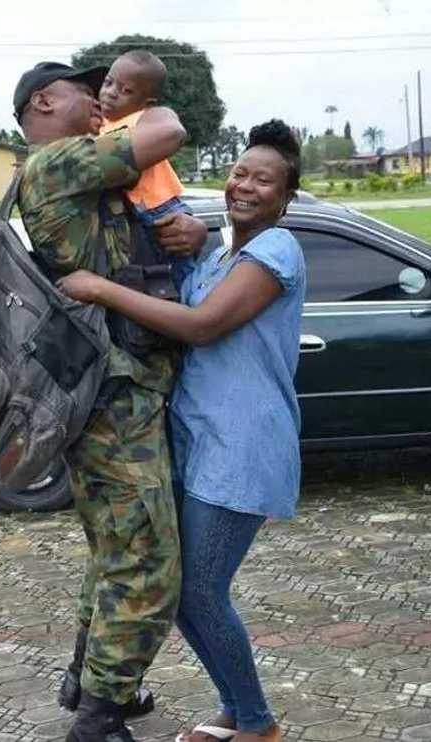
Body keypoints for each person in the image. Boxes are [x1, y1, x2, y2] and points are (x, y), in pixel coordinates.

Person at [59, 119, 307, 742]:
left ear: (285, 196)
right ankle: (237, 710)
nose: (245, 186)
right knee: (180, 589)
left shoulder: (278, 250)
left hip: (243, 444)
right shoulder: (223, 252)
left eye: (264, 180)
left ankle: (257, 723)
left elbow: (200, 326)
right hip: (199, 440)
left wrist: (101, 290)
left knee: (198, 590)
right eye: (240, 173)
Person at [12, 61, 202, 742]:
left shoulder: (87, 178)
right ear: (42, 103)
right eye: (85, 96)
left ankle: (88, 681)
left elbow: (144, 242)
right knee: (147, 558)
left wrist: (194, 234)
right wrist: (146, 107)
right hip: (111, 398)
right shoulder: (52, 163)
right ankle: (98, 720)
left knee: (113, 550)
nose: (101, 105)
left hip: (114, 389)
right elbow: (167, 129)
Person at [99, 50, 193, 227]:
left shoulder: (141, 120)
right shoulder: (99, 121)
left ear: (147, 103)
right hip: (133, 209)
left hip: (160, 208)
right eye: (108, 82)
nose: (111, 93)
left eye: (126, 91)